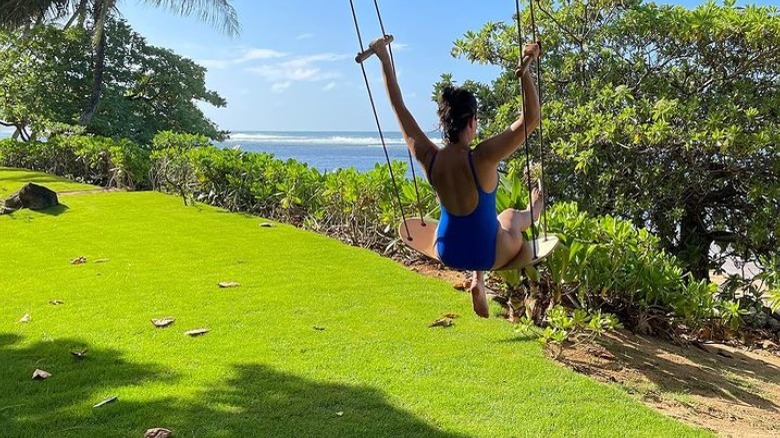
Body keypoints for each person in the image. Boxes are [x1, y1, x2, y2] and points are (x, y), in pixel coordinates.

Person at [369, 37, 543, 318]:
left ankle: (479, 281)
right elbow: (531, 119)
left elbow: (399, 107)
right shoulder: (483, 157)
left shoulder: (429, 157)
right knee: (509, 217)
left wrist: (384, 58)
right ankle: (534, 212)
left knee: (479, 222)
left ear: (444, 122)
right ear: (472, 121)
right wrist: (525, 71)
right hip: (488, 253)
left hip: (448, 249)